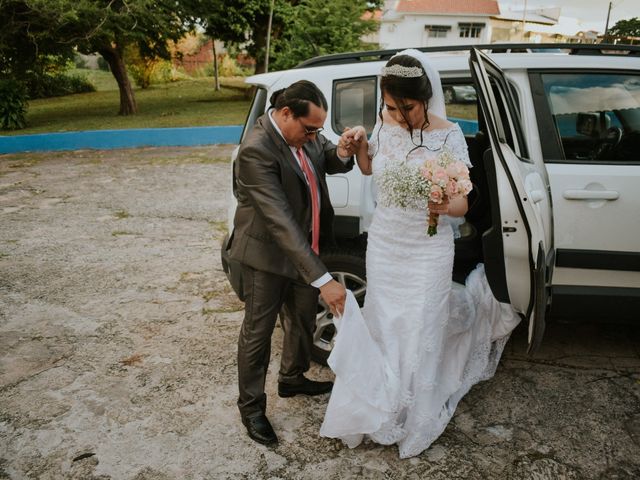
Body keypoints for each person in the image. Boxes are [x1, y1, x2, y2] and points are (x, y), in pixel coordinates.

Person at [320, 50, 521, 458]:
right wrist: (359, 145)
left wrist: (445, 206)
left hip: (428, 247)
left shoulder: (449, 136)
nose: (397, 114)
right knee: (386, 323)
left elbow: (465, 203)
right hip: (387, 243)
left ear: (425, 98)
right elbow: (371, 169)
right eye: (390, 106)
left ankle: (415, 413)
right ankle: (382, 404)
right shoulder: (385, 124)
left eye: (405, 107)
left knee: (421, 326)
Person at [227, 80, 357, 446]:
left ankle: (292, 378)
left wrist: (344, 150)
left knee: (301, 319)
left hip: (306, 250)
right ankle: (251, 408)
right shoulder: (256, 150)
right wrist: (324, 278)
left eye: (319, 129)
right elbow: (280, 221)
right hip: (266, 257)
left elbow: (330, 158)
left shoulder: (306, 134)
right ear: (286, 114)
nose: (316, 136)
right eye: (310, 129)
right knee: (258, 332)